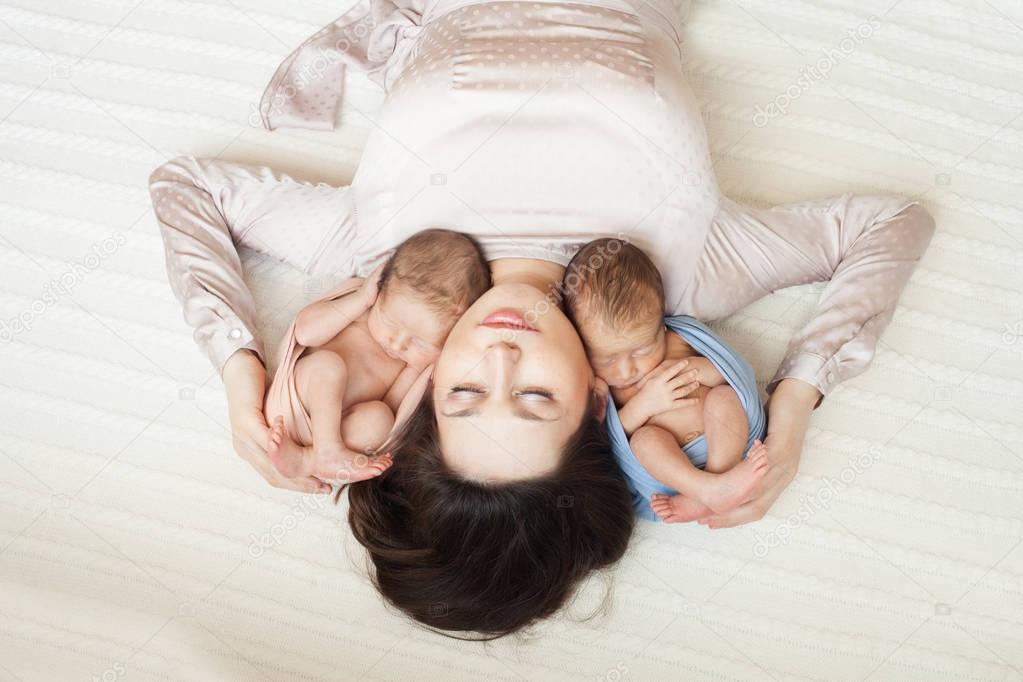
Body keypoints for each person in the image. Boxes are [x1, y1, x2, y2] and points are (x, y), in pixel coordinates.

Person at [150, 0, 935, 636]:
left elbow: (187, 187)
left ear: (426, 388)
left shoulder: (390, 266)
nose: (499, 357)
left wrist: (239, 375)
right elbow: (890, 224)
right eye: (534, 399)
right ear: (596, 398)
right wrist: (794, 410)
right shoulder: (680, 274)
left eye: (464, 396)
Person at [564, 239, 769, 522]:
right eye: (607, 359)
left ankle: (715, 483)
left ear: (660, 320)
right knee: (645, 441)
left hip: (727, 445)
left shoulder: (679, 341)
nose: (626, 371)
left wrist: (691, 369)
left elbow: (730, 371)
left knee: (724, 399)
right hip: (672, 470)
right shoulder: (602, 386)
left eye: (641, 350)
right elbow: (611, 435)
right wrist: (644, 404)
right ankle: (705, 489)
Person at [263, 229, 491, 482]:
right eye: (390, 323)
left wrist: (423, 366)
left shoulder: (414, 368)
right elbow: (305, 333)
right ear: (378, 293)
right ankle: (326, 450)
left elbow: (392, 406)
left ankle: (306, 459)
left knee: (380, 420)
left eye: (420, 343)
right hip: (298, 401)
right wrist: (360, 300)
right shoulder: (361, 311)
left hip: (345, 430)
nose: (398, 343)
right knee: (328, 366)